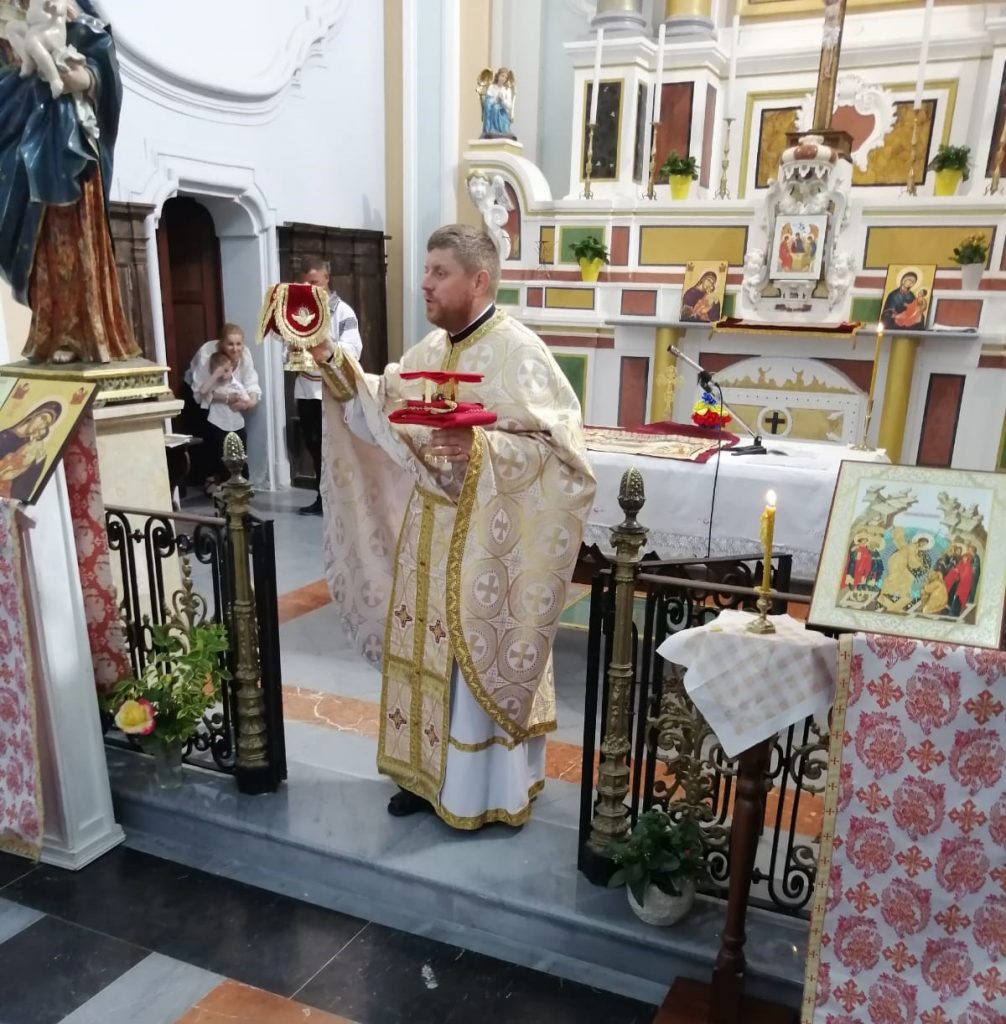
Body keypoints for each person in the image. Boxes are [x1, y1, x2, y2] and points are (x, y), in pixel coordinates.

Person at [312, 224, 596, 830]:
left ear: (479, 279)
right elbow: (380, 402)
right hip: (428, 533)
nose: (424, 283)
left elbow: (565, 455)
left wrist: (485, 450)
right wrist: (330, 360)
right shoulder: (431, 352)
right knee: (422, 649)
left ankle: (479, 790)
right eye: (426, 270)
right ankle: (420, 775)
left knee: (472, 661)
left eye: (439, 272)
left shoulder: (522, 353)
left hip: (489, 540)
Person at [0, 0, 140, 364]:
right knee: (41, 245)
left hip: (67, 136)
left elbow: (101, 55)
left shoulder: (70, 7)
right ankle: (51, 332)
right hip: (19, 137)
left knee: (72, 235)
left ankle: (86, 334)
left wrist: (90, 79)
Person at [292, 258, 363, 516]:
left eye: (314, 282)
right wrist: (294, 352)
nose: (309, 287)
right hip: (306, 389)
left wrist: (325, 347)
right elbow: (288, 348)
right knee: (313, 445)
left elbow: (354, 349)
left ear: (326, 279)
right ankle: (322, 498)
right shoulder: (299, 312)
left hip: (333, 391)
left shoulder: (343, 312)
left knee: (336, 446)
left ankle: (343, 498)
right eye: (305, 283)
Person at [188, 324, 261, 490]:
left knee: (238, 450)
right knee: (214, 445)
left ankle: (239, 485)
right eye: (230, 344)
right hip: (208, 401)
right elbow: (200, 393)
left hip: (233, 415)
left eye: (239, 344)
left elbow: (251, 383)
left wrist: (249, 402)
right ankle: (213, 480)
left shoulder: (245, 355)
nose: (235, 349)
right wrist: (227, 396)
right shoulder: (208, 356)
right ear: (222, 344)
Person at [0, 400, 62, 501]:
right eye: (43, 418)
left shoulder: (33, 449)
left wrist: (39, 461)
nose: (41, 425)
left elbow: (24, 490)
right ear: (35, 414)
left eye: (47, 424)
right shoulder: (4, 434)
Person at [480, 67, 515, 140]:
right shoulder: (492, 87)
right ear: (498, 76)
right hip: (492, 112)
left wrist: (502, 100)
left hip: (502, 113)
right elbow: (488, 101)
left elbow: (509, 106)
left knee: (496, 108)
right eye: (502, 76)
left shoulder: (506, 90)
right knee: (494, 107)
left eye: (505, 77)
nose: (503, 78)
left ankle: (500, 129)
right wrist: (496, 99)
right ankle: (491, 128)